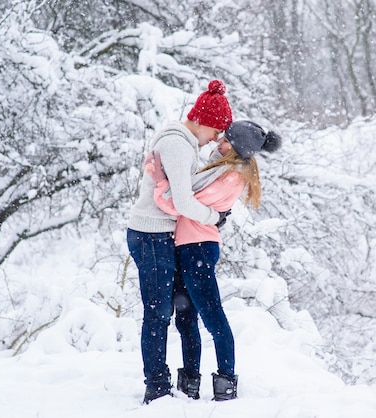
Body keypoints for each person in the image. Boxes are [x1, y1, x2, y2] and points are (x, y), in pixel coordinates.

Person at [144, 120, 282, 401]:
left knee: (213, 317)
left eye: (226, 141)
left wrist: (160, 182)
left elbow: (180, 202)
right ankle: (189, 382)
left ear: (238, 149)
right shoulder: (218, 169)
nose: (219, 143)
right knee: (186, 319)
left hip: (198, 248)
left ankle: (225, 383)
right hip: (186, 246)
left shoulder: (232, 176)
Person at [126, 80, 234, 404]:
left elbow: (189, 185)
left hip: (162, 235)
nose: (216, 137)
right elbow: (184, 201)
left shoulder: (185, 144)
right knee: (158, 313)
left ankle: (163, 383)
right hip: (151, 234)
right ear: (202, 120)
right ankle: (156, 388)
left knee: (167, 313)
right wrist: (215, 217)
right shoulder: (176, 143)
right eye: (216, 130)